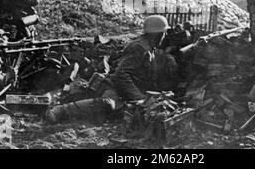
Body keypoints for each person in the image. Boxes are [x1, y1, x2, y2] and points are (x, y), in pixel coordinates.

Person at [44, 15, 179, 123]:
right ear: (156, 34)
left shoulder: (150, 49)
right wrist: (139, 98)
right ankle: (58, 111)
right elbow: (122, 75)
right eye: (163, 33)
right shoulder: (139, 48)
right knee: (107, 105)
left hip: (125, 94)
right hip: (112, 89)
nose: (165, 36)